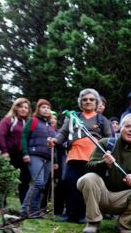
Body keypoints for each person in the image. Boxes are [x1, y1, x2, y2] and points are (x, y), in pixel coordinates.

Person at [77, 114, 131, 233]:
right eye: (127, 126)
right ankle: (93, 222)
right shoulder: (105, 144)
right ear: (120, 128)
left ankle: (123, 225)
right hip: (101, 194)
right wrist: (103, 164)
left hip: (124, 198)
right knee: (89, 178)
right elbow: (88, 167)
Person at [48, 88, 112, 223]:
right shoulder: (73, 118)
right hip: (74, 156)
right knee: (70, 184)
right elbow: (63, 133)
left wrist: (108, 153)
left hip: (94, 159)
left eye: (91, 99)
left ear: (96, 102)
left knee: (88, 186)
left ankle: (86, 215)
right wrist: (55, 140)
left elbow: (109, 138)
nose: (88, 102)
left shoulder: (102, 120)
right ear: (80, 103)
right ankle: (70, 214)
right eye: (84, 99)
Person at [21, 99, 57, 217]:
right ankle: (25, 209)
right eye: (43, 107)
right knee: (38, 182)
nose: (46, 109)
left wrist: (55, 161)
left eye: (48, 107)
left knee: (43, 184)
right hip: (34, 155)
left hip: (48, 158)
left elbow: (54, 145)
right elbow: (24, 137)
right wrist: (25, 153)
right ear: (38, 109)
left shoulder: (51, 126)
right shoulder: (33, 121)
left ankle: (35, 210)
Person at [0, 98, 31, 204]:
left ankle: (24, 206)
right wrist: (4, 151)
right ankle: (1, 205)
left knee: (24, 180)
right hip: (9, 154)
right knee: (4, 179)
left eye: (26, 107)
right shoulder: (7, 120)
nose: (24, 109)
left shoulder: (28, 123)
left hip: (23, 155)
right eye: (21, 107)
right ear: (15, 107)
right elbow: (0, 135)